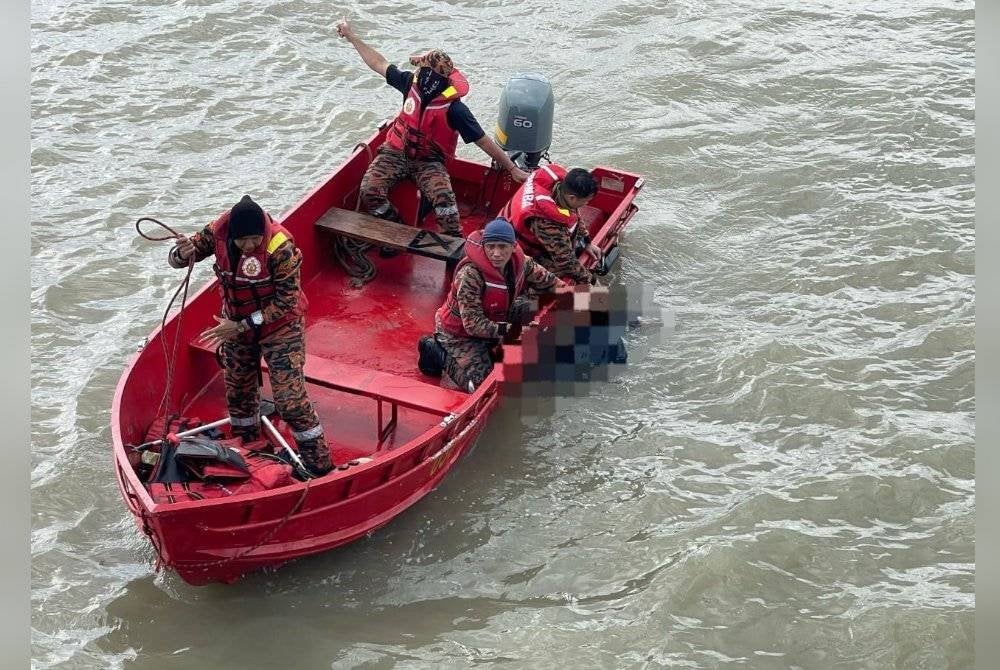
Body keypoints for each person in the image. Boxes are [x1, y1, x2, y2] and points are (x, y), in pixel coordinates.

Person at [168, 195, 334, 476]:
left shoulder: (281, 248)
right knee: (238, 389)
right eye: (243, 241)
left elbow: (287, 301)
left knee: (289, 400)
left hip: (281, 326)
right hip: (235, 321)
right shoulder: (217, 232)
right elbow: (178, 260)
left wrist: (242, 325)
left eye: (255, 239)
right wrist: (181, 254)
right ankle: (249, 445)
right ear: (232, 236)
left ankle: (319, 463)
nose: (249, 246)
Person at [336, 18, 528, 238]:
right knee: (369, 190)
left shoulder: (455, 109)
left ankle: (454, 246)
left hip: (429, 161)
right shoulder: (409, 83)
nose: (422, 75)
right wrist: (351, 37)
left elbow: (482, 140)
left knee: (445, 203)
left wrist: (512, 169)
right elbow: (378, 63)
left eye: (425, 71)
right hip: (395, 152)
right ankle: (395, 228)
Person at [419, 218, 564, 392]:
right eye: (491, 247)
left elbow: (553, 283)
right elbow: (473, 325)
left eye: (502, 247)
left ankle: (499, 346)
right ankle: (435, 350)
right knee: (482, 387)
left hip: (498, 313)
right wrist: (512, 330)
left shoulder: (523, 263)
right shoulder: (470, 276)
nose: (496, 253)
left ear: (513, 246)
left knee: (539, 308)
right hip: (460, 333)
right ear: (483, 246)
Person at [500, 163, 604, 285]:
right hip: (513, 251)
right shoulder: (545, 222)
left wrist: (587, 242)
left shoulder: (560, 188)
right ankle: (530, 295)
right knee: (559, 276)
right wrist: (592, 281)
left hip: (512, 223)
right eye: (586, 200)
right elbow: (566, 262)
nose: (586, 203)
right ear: (572, 198)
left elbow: (572, 213)